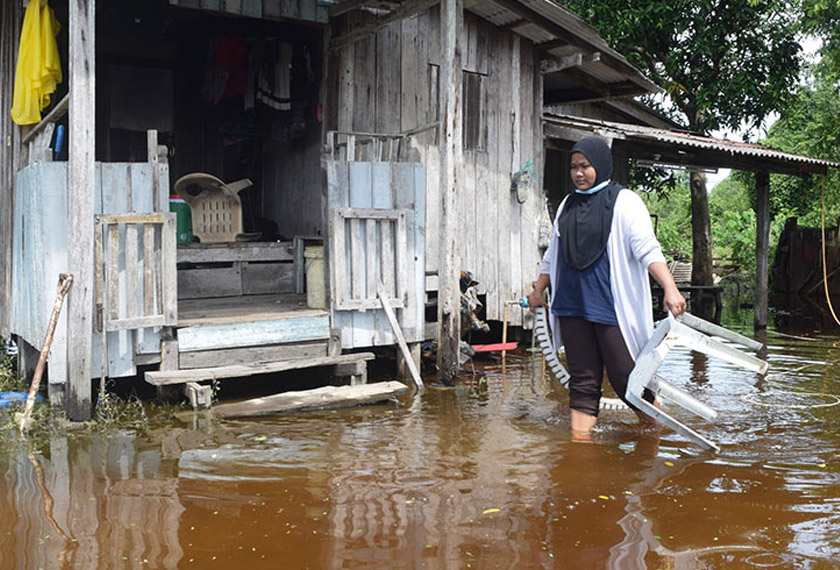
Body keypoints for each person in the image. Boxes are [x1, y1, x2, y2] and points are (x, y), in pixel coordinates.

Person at [526, 136, 686, 438]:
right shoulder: (568, 204)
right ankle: (580, 447)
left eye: (585, 166)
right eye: (574, 167)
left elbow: (646, 249)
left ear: (599, 164)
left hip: (610, 306)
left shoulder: (625, 201)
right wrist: (539, 289)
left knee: (627, 379)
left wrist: (670, 287)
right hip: (572, 303)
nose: (578, 173)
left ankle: (659, 432)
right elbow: (553, 253)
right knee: (582, 381)